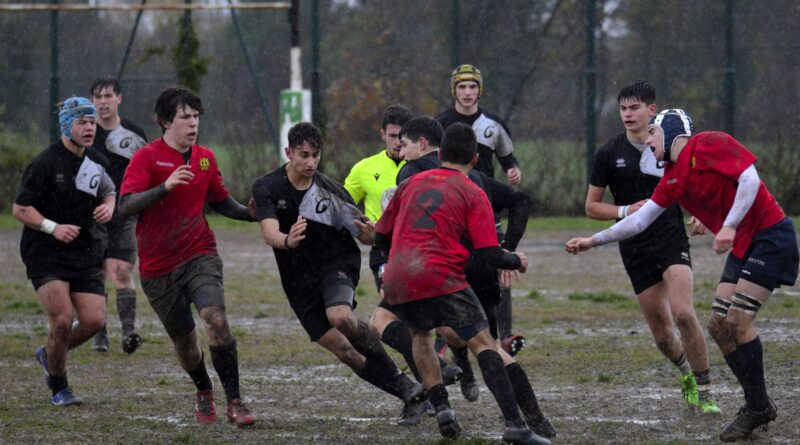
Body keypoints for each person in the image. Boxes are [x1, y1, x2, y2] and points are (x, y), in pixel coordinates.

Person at [566, 109, 799, 442]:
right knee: (719, 326)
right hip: (742, 244)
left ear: (670, 131)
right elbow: (639, 220)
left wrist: (728, 225)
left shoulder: (709, 144)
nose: (647, 141)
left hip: (770, 237)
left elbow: (750, 180)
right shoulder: (673, 177)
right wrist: (593, 241)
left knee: (736, 323)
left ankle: (756, 404)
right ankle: (759, 405)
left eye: (652, 135)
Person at [375, 122, 550, 445]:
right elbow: (487, 251)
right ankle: (515, 424)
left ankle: (441, 407)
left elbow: (380, 234)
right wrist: (516, 260)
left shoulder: (410, 183)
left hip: (400, 273)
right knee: (484, 343)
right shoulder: (472, 189)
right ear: (474, 160)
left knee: (420, 333)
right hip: (440, 275)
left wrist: (396, 264)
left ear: (440, 154)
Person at [251, 122, 425, 423]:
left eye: (316, 155)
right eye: (303, 155)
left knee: (340, 315)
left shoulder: (331, 192)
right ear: (288, 152)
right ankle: (407, 389)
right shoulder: (267, 187)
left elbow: (367, 237)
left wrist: (372, 232)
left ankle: (408, 385)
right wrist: (287, 241)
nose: (310, 162)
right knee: (344, 350)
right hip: (297, 280)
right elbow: (269, 232)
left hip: (337, 263)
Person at [118, 87, 255, 427]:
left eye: (196, 117)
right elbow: (125, 206)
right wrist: (164, 187)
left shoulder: (206, 157)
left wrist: (251, 213)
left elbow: (221, 201)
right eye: (185, 117)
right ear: (166, 121)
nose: (193, 123)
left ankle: (235, 401)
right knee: (186, 343)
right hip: (157, 268)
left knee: (216, 319)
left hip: (199, 254)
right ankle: (203, 388)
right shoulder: (147, 158)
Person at [584, 81, 721, 414]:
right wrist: (624, 211)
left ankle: (706, 392)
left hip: (671, 237)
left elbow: (699, 184)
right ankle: (686, 375)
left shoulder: (672, 145)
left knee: (685, 313)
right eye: (623, 109)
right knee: (662, 336)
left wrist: (702, 214)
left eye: (635, 108)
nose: (628, 114)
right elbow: (591, 207)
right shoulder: (608, 153)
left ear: (652, 110)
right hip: (634, 247)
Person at [345, 106, 462, 425]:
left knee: (397, 322)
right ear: (383, 134)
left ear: (419, 141)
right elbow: (344, 204)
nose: (398, 143)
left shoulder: (412, 171)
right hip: (388, 255)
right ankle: (439, 383)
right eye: (393, 136)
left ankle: (430, 390)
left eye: (403, 138)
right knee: (421, 323)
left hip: (409, 255)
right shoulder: (365, 168)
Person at [14, 97, 116, 405]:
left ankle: (49, 354)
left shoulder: (96, 161)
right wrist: (52, 227)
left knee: (95, 320)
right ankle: (60, 387)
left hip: (83, 251)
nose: (89, 128)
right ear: (66, 126)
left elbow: (109, 190)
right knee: (61, 320)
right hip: (45, 252)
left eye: (92, 122)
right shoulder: (44, 164)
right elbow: (20, 209)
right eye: (81, 123)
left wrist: (108, 208)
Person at [437, 64, 525, 355]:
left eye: (472, 87)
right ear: (454, 90)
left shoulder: (493, 124)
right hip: (452, 210)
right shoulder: (441, 124)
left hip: (486, 208)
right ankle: (443, 337)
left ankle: (505, 336)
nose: (467, 92)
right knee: (449, 271)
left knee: (500, 267)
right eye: (462, 87)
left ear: (479, 90)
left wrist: (513, 172)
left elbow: (509, 160)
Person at [89, 76, 148, 354]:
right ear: (92, 102)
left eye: (108, 96)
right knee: (96, 272)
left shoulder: (134, 135)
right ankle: (99, 334)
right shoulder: (85, 134)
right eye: (98, 97)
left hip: (125, 211)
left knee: (122, 270)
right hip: (92, 214)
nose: (103, 102)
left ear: (119, 99)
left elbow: (148, 174)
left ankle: (128, 332)